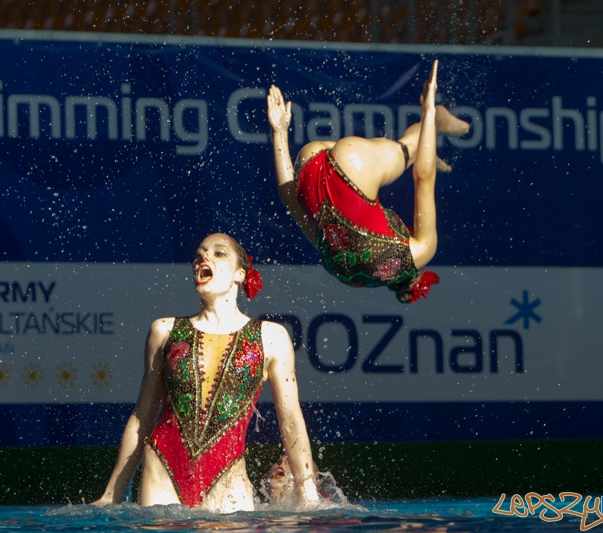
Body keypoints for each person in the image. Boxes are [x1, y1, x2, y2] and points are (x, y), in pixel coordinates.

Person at [93, 233, 320, 512]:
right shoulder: (164, 331)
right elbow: (142, 417)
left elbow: (291, 421)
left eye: (219, 253)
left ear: (240, 274)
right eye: (199, 254)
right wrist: (111, 495)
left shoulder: (271, 338)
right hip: (163, 470)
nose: (204, 257)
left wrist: (308, 495)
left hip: (228, 476)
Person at [267, 60, 469, 303]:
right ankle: (423, 148)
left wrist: (429, 112)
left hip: (353, 165)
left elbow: (423, 178)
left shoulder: (420, 252)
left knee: (403, 150)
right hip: (309, 165)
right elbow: (289, 199)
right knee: (396, 153)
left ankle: (438, 124)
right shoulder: (343, 274)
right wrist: (279, 131)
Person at [265, 454, 343, 505]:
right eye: (279, 461)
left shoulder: (310, 507)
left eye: (291, 462)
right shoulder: (259, 510)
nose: (282, 463)